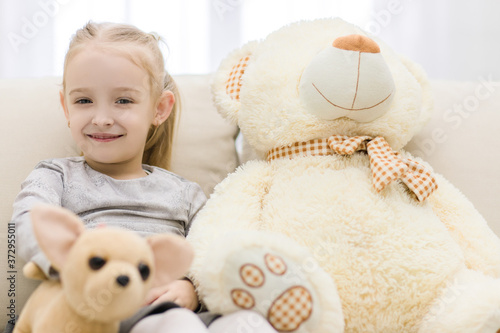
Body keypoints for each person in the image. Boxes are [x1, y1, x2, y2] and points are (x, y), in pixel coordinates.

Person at [10, 22, 277, 333]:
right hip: (101, 313)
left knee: (250, 322)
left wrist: (193, 288)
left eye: (123, 100)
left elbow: (212, 250)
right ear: (65, 107)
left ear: (159, 109)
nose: (102, 118)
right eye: (83, 100)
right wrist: (70, 264)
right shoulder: (56, 176)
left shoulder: (184, 194)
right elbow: (29, 223)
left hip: (172, 307)